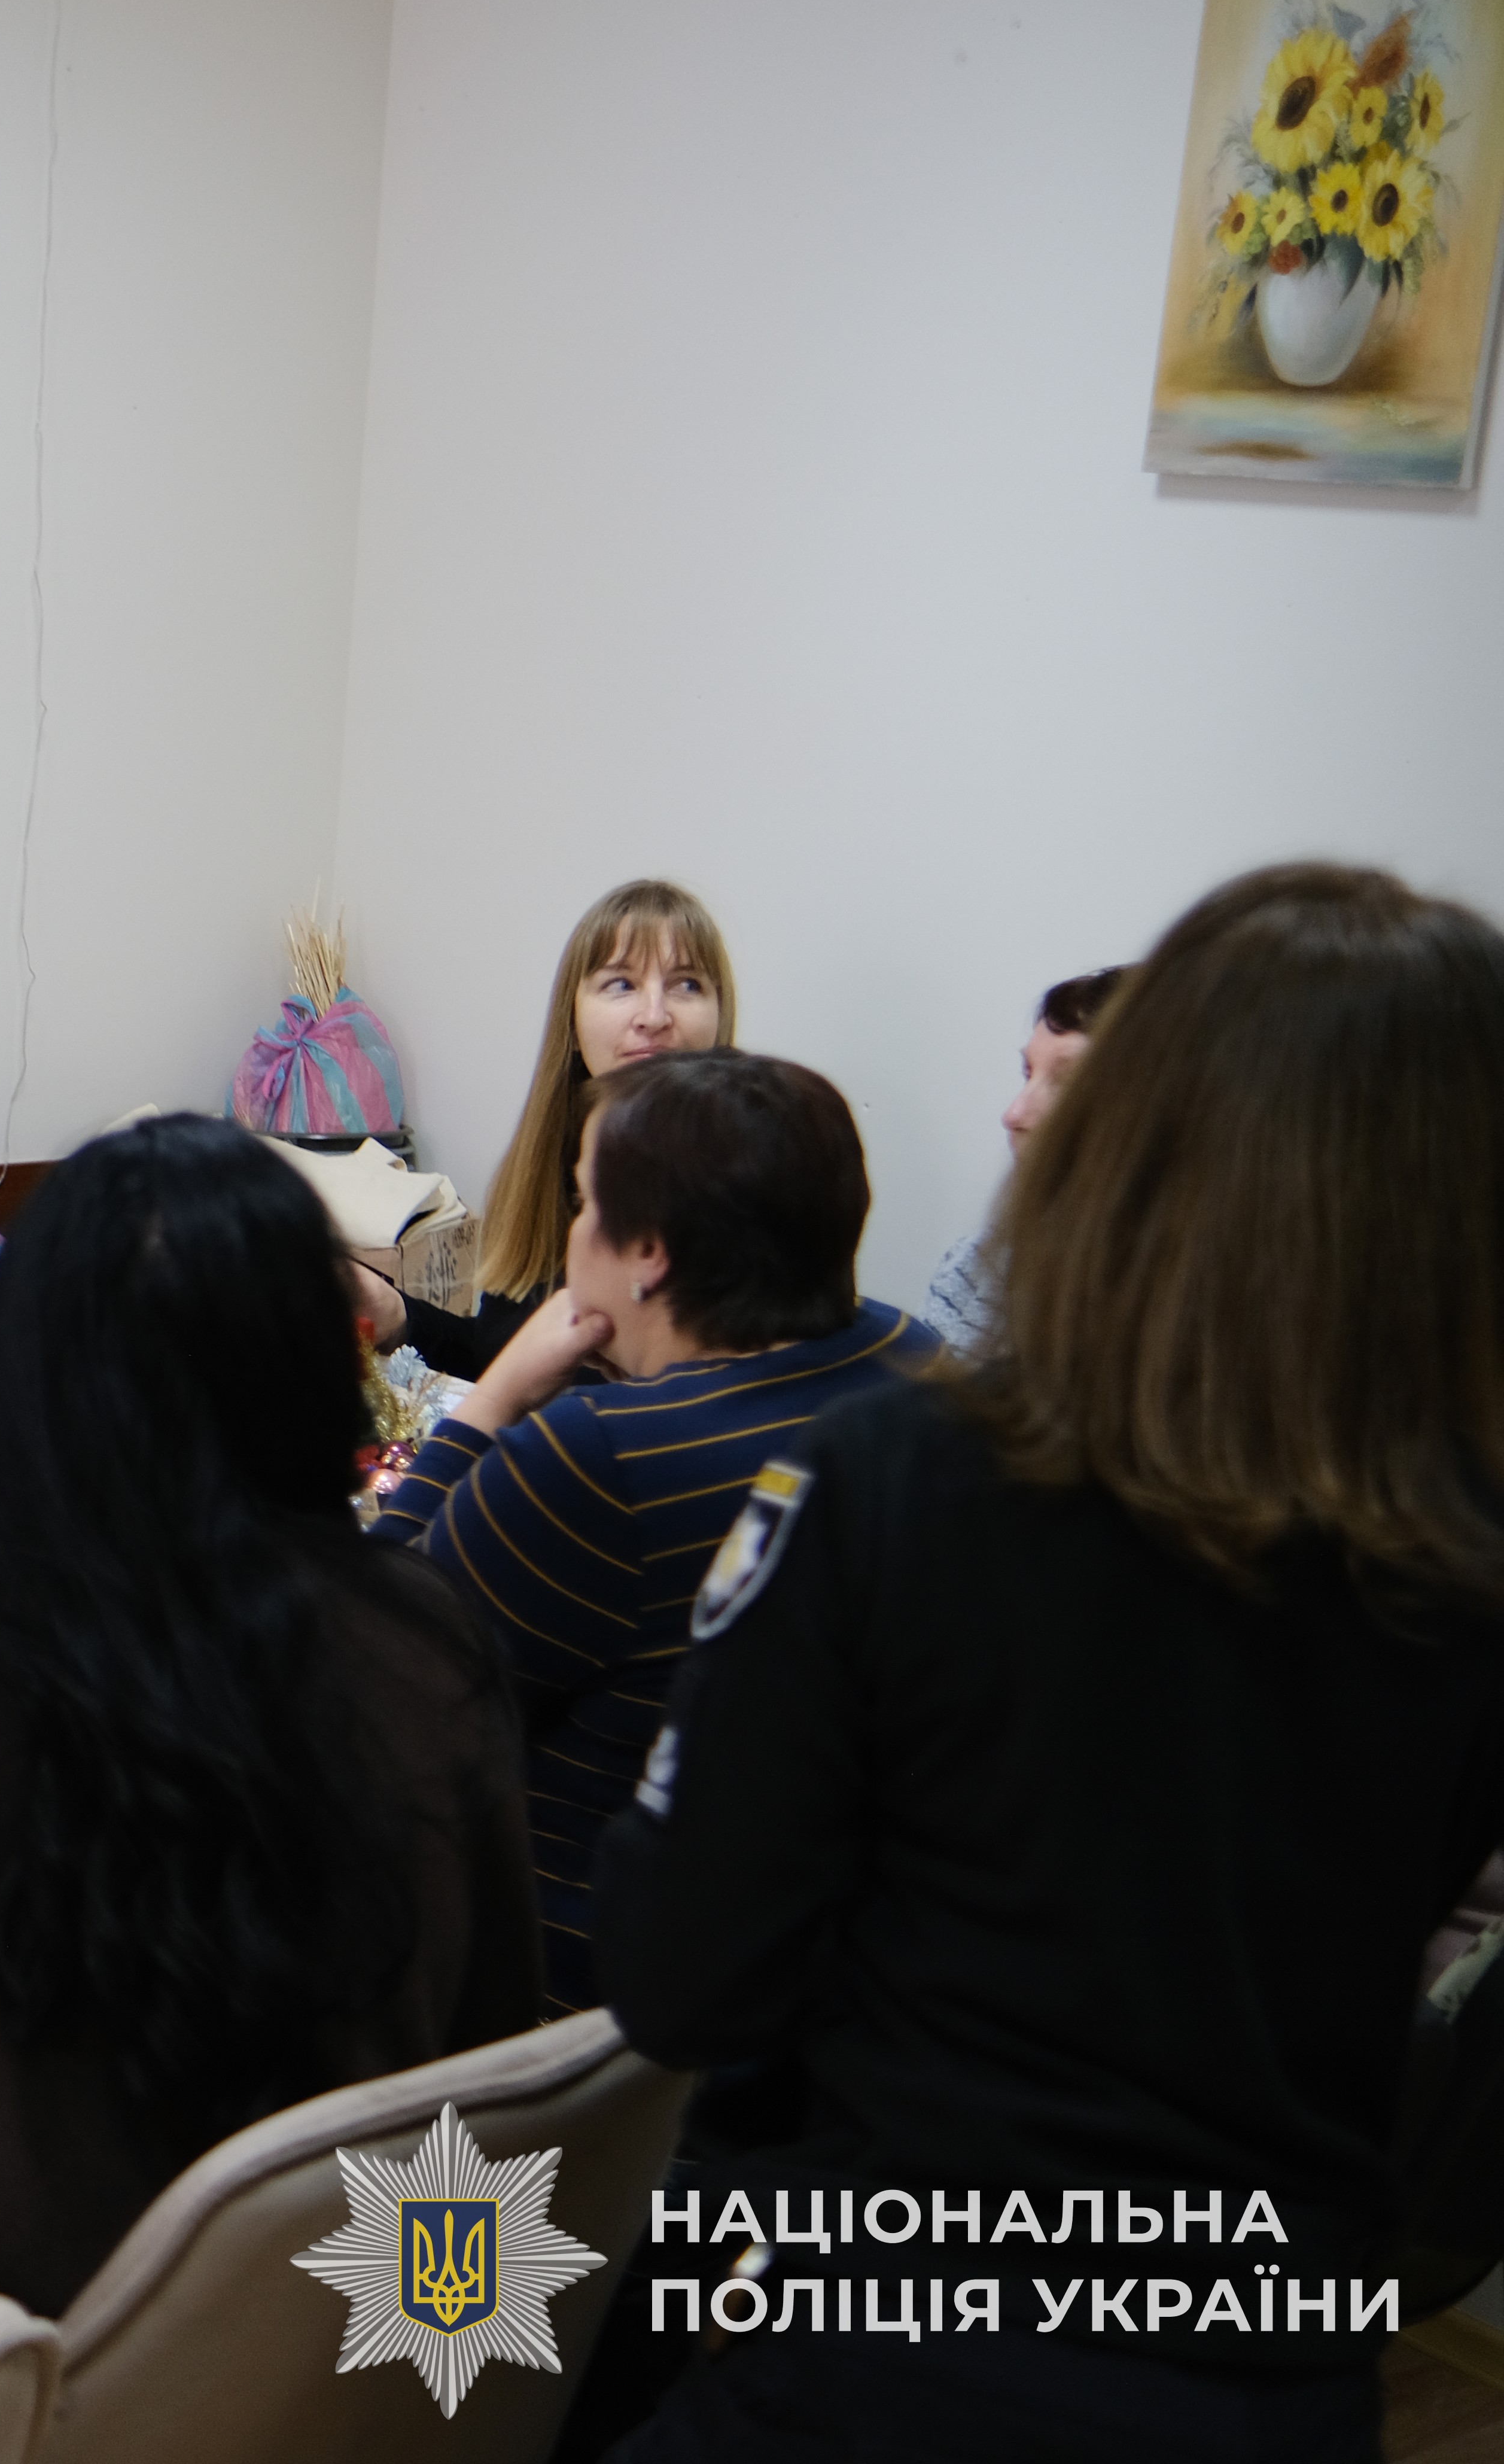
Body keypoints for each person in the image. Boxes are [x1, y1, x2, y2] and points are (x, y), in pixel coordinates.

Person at [596, 867, 1504, 2460]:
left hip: (893, 2364)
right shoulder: (1464, 1568)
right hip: (1269, 2375)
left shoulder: (895, 1483)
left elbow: (683, 1971)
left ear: (1131, 1138)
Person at [0, 1115, 540, 2337]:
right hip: (353, 2352)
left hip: (11, 2384)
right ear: (321, 1371)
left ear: (17, 1384)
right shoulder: (427, 1645)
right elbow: (495, 2058)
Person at [367, 1050, 935, 2015]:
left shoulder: (600, 1459)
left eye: (586, 1204)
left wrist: (495, 1399)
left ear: (650, 1255)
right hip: (823, 1971)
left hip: (579, 2003)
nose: (574, 1233)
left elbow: (366, 1676)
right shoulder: (917, 1365)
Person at [371, 878, 734, 1380]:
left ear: (720, 1014)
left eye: (687, 984)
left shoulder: (755, 1193)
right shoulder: (543, 1173)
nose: (654, 1016)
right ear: (573, 1022)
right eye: (622, 984)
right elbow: (508, 1360)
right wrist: (397, 1315)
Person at [921, 964, 1124, 1357]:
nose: (1014, 1115)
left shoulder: (1215, 1302)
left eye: (1067, 1082)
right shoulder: (973, 1269)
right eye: (1027, 1074)